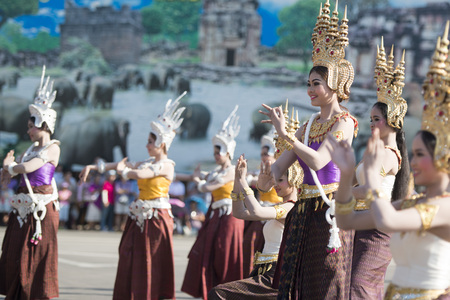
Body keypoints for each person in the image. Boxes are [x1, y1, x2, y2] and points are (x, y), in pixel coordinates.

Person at [330, 23, 450, 299]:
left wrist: (370, 179)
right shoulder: (411, 204)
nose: (414, 161)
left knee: (358, 287)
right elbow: (347, 219)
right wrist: (347, 174)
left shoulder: (445, 206)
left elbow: (387, 221)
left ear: (444, 156)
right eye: (415, 153)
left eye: (421, 155)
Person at [259, 2, 358, 298]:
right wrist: (263, 175)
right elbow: (279, 168)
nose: (310, 90)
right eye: (308, 83)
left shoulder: (345, 122)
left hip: (329, 213)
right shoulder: (307, 125)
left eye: (316, 83)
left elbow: (317, 161)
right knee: (294, 282)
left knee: (326, 283)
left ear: (334, 84)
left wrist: (284, 134)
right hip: (302, 210)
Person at [79, 92, 186, 299]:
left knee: (151, 259)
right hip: (138, 216)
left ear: (162, 143)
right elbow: (123, 165)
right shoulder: (145, 161)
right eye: (147, 141)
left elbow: (140, 174)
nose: (146, 145)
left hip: (156, 218)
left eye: (150, 142)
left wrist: (123, 172)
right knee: (129, 254)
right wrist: (93, 166)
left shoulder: (166, 166)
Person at [208, 115, 304, 299]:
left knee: (218, 293)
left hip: (275, 276)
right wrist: (237, 181)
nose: (276, 185)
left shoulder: (290, 208)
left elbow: (256, 211)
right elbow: (239, 212)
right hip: (263, 272)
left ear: (294, 180)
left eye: (281, 181)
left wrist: (244, 183)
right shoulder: (282, 206)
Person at [349, 40, 410, 299]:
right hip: (359, 227)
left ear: (392, 121)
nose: (372, 124)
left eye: (377, 119)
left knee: (357, 289)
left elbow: (370, 191)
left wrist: (342, 195)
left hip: (375, 230)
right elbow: (353, 183)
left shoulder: (387, 155)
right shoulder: (372, 153)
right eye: (371, 119)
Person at [0, 66, 61, 299]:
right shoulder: (30, 149)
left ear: (43, 122)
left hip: (40, 210)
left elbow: (28, 168)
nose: (28, 130)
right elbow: (19, 170)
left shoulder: (53, 147)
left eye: (30, 125)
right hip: (22, 209)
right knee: (15, 251)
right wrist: (5, 171)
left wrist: (10, 167)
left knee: (36, 255)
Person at [181, 106, 245, 300]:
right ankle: (211, 290)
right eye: (215, 151)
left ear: (228, 151)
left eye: (219, 151)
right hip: (215, 216)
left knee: (225, 254)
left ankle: (228, 292)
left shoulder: (231, 170)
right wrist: (192, 177)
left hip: (229, 217)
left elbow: (209, 186)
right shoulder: (216, 171)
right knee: (207, 252)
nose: (216, 155)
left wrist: (199, 182)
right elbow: (201, 179)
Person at [243, 127, 282, 276]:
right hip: (261, 212)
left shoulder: (280, 170)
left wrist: (247, 179)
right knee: (251, 245)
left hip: (276, 213)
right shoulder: (262, 171)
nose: (263, 157)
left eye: (266, 154)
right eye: (262, 154)